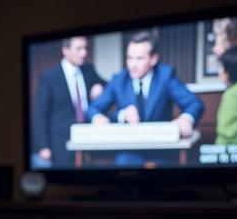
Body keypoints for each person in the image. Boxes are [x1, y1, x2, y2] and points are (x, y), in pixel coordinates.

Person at [87, 31, 204, 166]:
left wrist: (186, 118)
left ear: (153, 59)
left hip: (162, 150)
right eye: (129, 58)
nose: (132, 64)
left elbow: (195, 103)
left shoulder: (166, 76)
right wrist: (115, 116)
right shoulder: (119, 79)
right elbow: (93, 108)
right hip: (129, 151)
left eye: (139, 58)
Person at [34, 36, 105, 167]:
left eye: (85, 48)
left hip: (87, 137)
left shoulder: (88, 69)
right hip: (60, 142)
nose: (84, 53)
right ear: (66, 51)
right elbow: (41, 114)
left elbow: (108, 86)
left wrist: (99, 86)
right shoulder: (49, 76)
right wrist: (43, 146)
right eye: (79, 49)